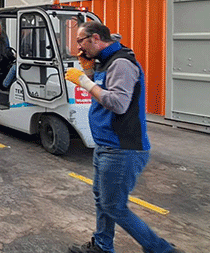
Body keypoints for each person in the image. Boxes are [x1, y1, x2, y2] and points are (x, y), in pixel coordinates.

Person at [65, 22, 184, 253]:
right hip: (106, 146)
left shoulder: (121, 63)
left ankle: (161, 249)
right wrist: (88, 71)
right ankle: (102, 245)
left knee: (114, 206)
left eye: (80, 41)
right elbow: (103, 92)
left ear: (95, 38)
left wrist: (83, 81)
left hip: (122, 149)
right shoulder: (104, 61)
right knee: (102, 200)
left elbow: (118, 104)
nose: (78, 48)